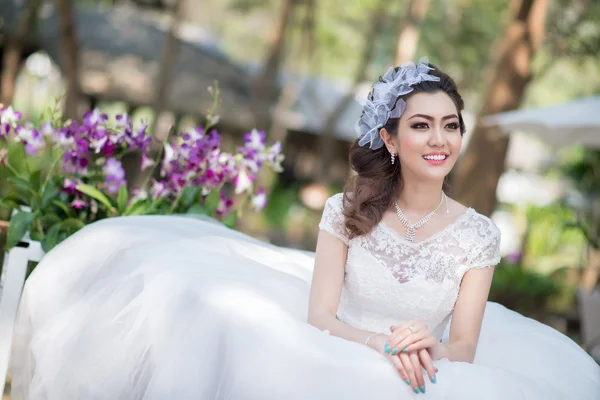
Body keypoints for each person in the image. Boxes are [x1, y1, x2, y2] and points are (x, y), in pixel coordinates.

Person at [9, 59, 600, 400]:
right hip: (340, 350)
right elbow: (321, 317)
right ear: (390, 141)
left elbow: (466, 348)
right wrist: (381, 344)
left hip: (425, 371)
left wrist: (426, 345)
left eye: (450, 125)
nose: (440, 139)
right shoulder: (345, 212)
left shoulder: (478, 236)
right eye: (421, 125)